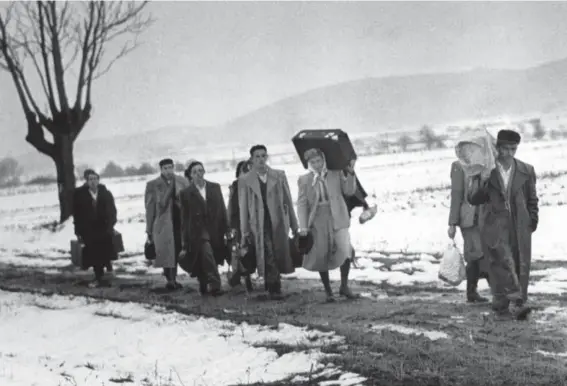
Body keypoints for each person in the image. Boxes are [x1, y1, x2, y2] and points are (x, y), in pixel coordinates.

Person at [468, 129, 539, 321]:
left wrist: (532, 220)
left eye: (513, 149)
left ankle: (511, 304)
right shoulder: (484, 170)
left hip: (520, 226)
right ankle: (511, 305)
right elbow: (473, 198)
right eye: (504, 149)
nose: (508, 153)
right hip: (493, 225)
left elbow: (532, 199)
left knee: (519, 263)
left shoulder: (526, 170)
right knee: (500, 262)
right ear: (496, 148)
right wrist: (482, 180)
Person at [297, 148, 358, 302]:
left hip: (337, 217)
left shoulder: (335, 173)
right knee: (322, 253)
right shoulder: (305, 180)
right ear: (308, 164)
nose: (317, 164)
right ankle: (328, 291)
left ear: (323, 160)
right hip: (317, 220)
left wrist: (350, 173)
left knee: (346, 249)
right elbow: (302, 205)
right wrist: (303, 227)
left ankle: (344, 286)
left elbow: (349, 191)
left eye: (319, 161)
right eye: (313, 162)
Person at [238, 144, 299, 300]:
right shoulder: (245, 180)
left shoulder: (278, 176)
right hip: (258, 223)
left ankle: (272, 283)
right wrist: (245, 231)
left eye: (263, 156)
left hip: (278, 221)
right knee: (267, 251)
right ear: (251, 159)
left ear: (267, 157)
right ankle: (274, 287)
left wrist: (294, 224)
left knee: (278, 251)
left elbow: (288, 201)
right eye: (257, 156)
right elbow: (243, 207)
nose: (261, 159)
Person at [178, 161, 228, 296]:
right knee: (206, 253)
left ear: (204, 172)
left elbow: (222, 209)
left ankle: (203, 281)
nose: (198, 174)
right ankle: (215, 285)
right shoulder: (186, 193)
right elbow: (184, 218)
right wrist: (184, 241)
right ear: (190, 176)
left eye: (201, 170)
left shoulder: (214, 187)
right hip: (197, 231)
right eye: (195, 172)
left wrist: (227, 228)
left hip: (215, 228)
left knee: (211, 256)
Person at [144, 158, 190, 291]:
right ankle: (171, 280)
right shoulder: (153, 185)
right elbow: (150, 208)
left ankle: (173, 278)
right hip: (162, 224)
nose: (168, 171)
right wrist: (149, 229)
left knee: (176, 251)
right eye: (165, 168)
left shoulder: (182, 181)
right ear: (161, 170)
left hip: (179, 222)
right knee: (165, 252)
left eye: (170, 167)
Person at [448, 160, 490, 303]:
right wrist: (452, 223)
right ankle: (474, 292)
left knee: (484, 254)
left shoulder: (486, 165)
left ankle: (474, 292)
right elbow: (456, 195)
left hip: (486, 218)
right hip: (469, 220)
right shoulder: (458, 167)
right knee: (476, 255)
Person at [73, 169, 118, 288]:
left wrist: (111, 224)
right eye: (90, 179)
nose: (93, 182)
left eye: (95, 179)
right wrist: (78, 230)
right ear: (86, 181)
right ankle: (98, 277)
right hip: (89, 230)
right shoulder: (80, 195)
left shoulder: (105, 193)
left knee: (105, 252)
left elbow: (112, 210)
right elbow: (77, 214)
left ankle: (106, 275)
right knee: (94, 254)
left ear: (98, 180)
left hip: (104, 228)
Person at [227, 160, 255, 291]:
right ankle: (246, 277)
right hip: (239, 222)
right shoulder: (236, 186)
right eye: (243, 171)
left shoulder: (254, 183)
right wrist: (231, 226)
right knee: (243, 251)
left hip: (253, 221)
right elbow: (232, 208)